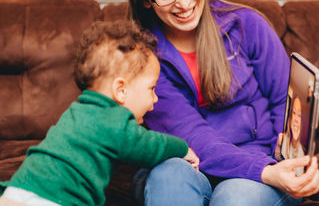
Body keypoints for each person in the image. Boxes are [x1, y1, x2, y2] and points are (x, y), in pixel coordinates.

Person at [126, 0, 319, 205]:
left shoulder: (247, 25)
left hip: (257, 167)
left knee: (235, 197)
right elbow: (193, 136)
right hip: (188, 162)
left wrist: (283, 159)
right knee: (168, 175)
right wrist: (266, 172)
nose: (184, 2)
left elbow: (285, 101)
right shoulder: (142, 56)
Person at [0, 20, 199, 206]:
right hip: (52, 198)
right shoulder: (112, 120)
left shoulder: (78, 111)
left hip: (17, 190)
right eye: (151, 88)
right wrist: (182, 149)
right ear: (121, 90)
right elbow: (150, 145)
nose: (155, 99)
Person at [281, 96, 306, 176]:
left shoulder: (301, 152)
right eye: (294, 113)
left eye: (299, 115)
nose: (296, 119)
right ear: (290, 118)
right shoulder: (282, 140)